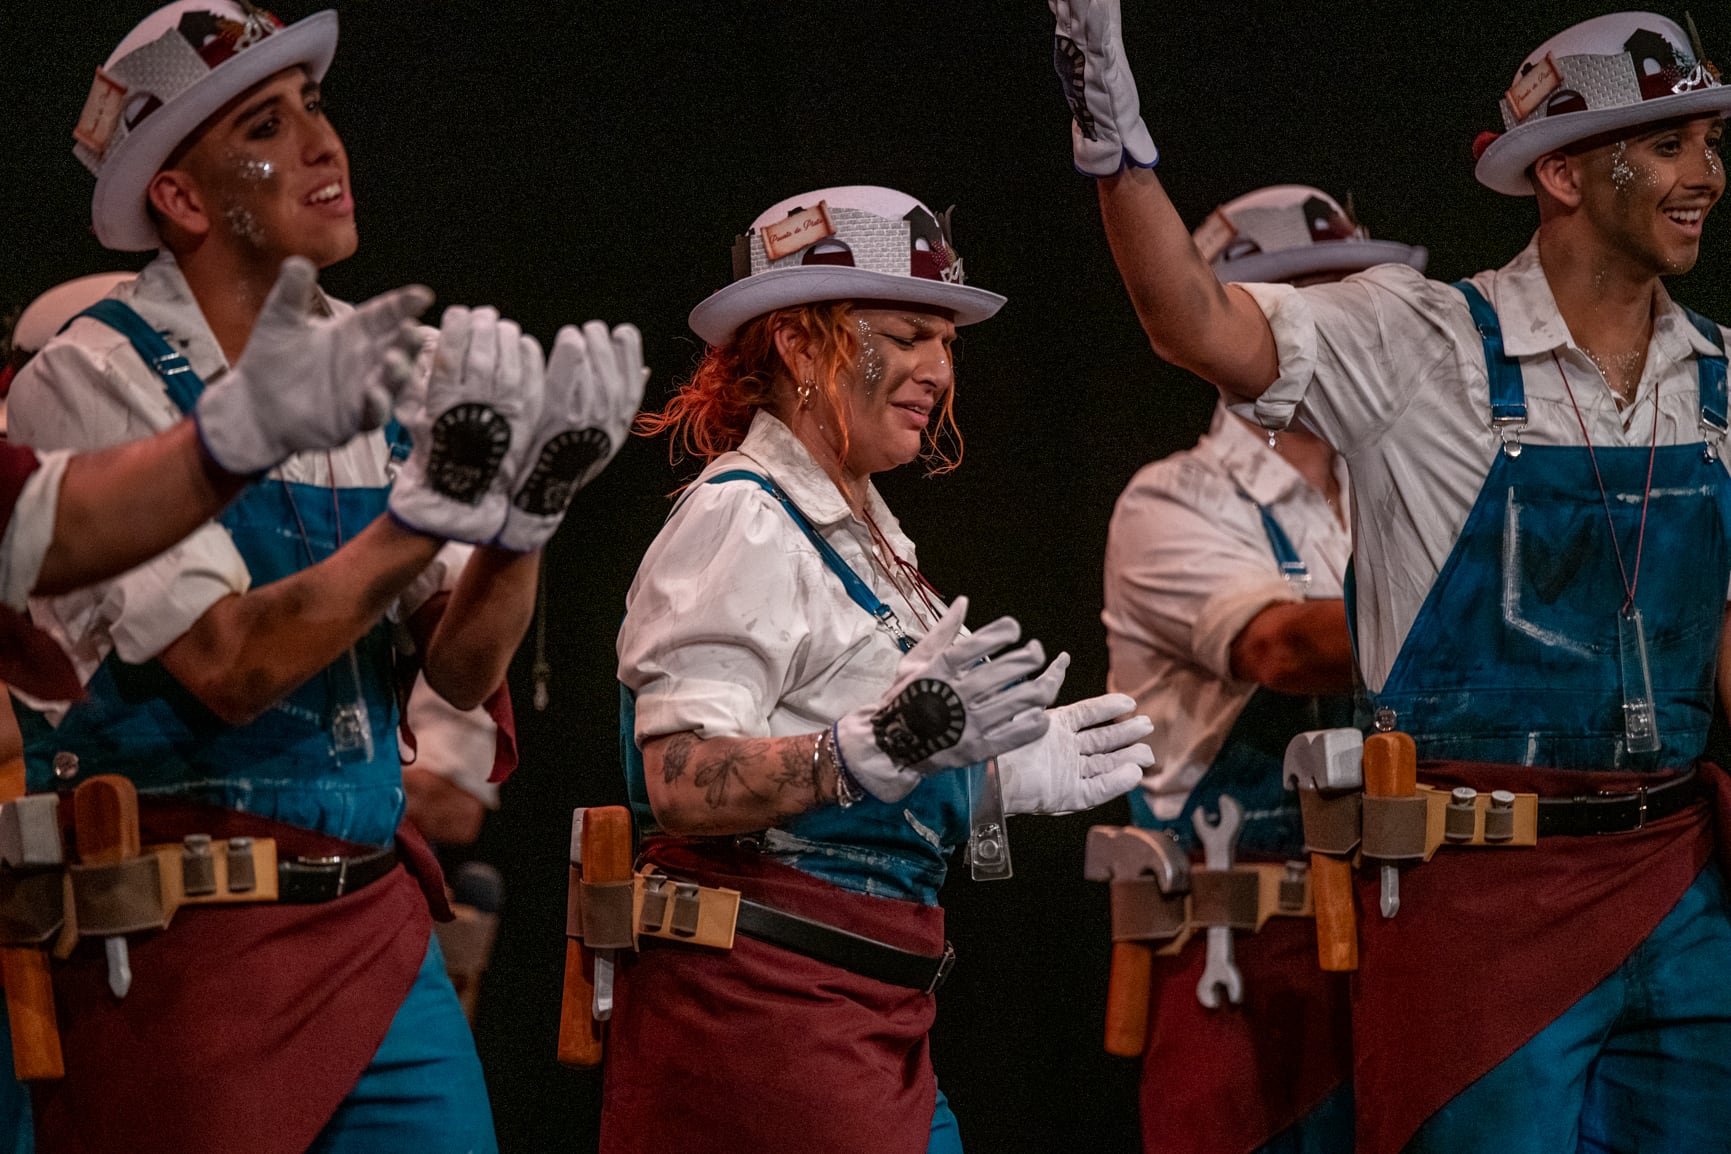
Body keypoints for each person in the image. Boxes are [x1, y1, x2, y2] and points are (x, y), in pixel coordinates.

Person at [1051, 4, 1731, 1151]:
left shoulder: (1718, 377)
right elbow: (1195, 322)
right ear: (1562, 171)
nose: (1705, 172)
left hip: (1676, 881)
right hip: (1477, 901)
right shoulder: (1420, 345)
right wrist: (1118, 154)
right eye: (1667, 144)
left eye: (1709, 139)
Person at [7, 4, 642, 1152]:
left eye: (316, 106)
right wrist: (425, 513)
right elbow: (231, 663)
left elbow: (460, 666)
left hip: (374, 928)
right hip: (187, 947)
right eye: (265, 121)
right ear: (184, 199)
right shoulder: (88, 375)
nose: (322, 142)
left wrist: (526, 520)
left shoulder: (379, 354)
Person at [607, 184, 1154, 1154]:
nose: (938, 368)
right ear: (798, 342)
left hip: (865, 1011)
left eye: (945, 340)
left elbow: (850, 739)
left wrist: (988, 777)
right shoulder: (746, 515)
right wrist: (873, 747)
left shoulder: (862, 533)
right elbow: (679, 780)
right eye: (905, 334)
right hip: (767, 1019)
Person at [1102, 184, 1425, 1154]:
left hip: (1402, 950)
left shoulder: (1401, 492)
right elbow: (1279, 647)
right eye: (1317, 303)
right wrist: (1485, 610)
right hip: (1241, 969)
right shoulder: (1172, 499)